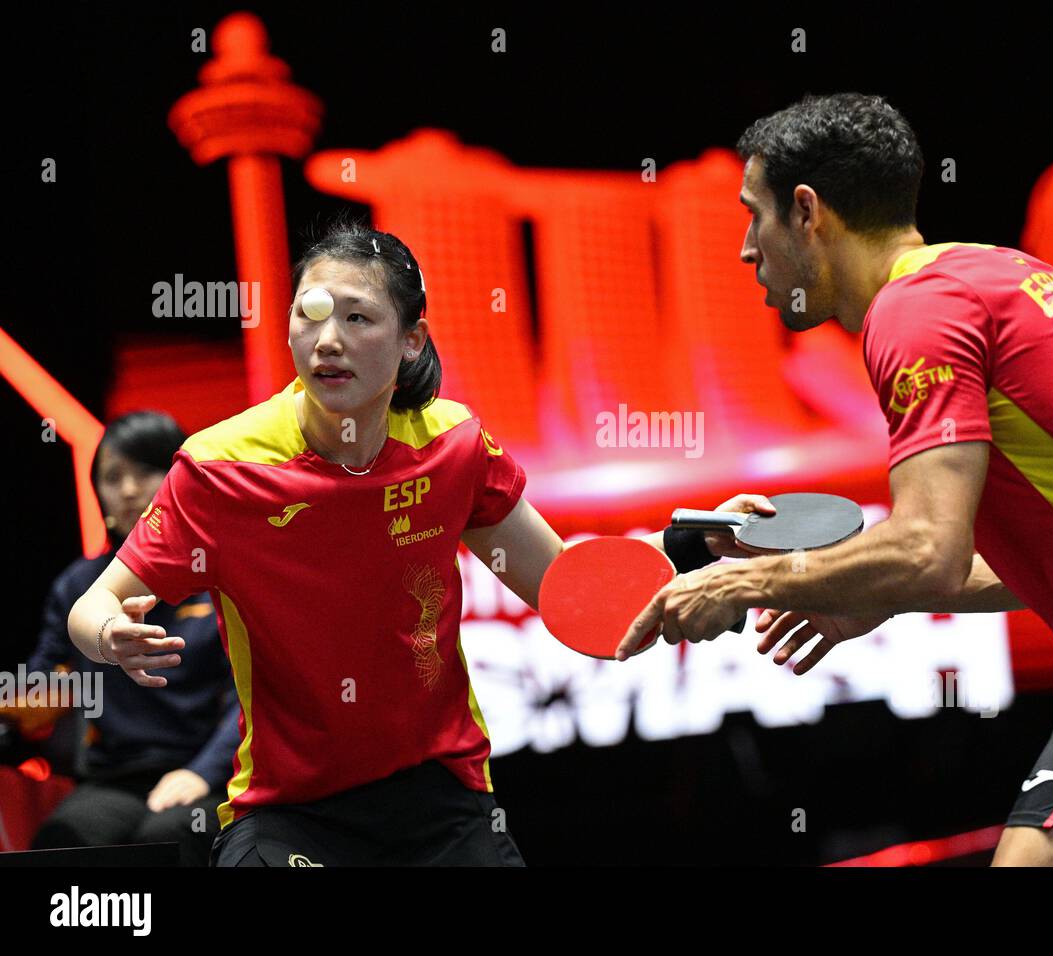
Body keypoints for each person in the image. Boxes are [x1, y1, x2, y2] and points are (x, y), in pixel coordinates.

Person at [615, 93, 1053, 867]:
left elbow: (928, 549)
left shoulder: (914, 315)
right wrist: (862, 589)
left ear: (807, 211)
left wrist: (742, 585)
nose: (747, 249)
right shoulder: (992, 274)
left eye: (754, 215)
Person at [67, 221, 762, 866]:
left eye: (357, 317)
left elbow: (569, 593)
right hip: (290, 809)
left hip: (441, 794)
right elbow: (92, 607)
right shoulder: (222, 467)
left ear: (412, 340)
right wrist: (110, 635)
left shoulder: (451, 448)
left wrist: (693, 549)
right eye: (309, 315)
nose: (327, 339)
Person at [27, 412, 238, 866]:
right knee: (64, 836)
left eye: (145, 471)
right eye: (111, 477)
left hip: (209, 771)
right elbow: (42, 681)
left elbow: (251, 695)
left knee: (172, 833)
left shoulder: (222, 573)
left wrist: (203, 773)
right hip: (115, 777)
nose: (127, 490)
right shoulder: (77, 585)